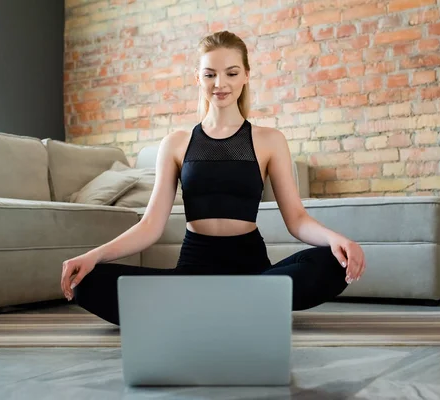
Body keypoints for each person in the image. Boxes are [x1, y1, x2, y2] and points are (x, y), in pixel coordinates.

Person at [60, 31, 366, 326]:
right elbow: (150, 226)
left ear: (246, 75)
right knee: (86, 282)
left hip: (253, 272)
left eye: (231, 73)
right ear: (198, 78)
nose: (220, 83)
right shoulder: (176, 143)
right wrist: (93, 256)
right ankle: (236, 307)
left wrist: (337, 239)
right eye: (210, 74)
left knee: (332, 264)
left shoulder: (269, 140)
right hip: (194, 271)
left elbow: (297, 219)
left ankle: (207, 307)